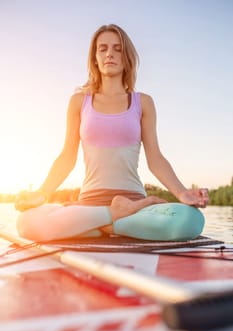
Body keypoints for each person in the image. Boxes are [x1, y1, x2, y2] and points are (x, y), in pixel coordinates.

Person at [15, 24, 209, 242]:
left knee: (190, 220)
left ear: (127, 58)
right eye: (103, 48)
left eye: (117, 49)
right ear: (95, 57)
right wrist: (42, 193)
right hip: (89, 205)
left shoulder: (143, 102)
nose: (109, 54)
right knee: (26, 222)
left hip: (135, 204)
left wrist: (182, 193)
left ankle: (97, 226)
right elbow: (67, 157)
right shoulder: (79, 101)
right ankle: (114, 219)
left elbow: (155, 158)